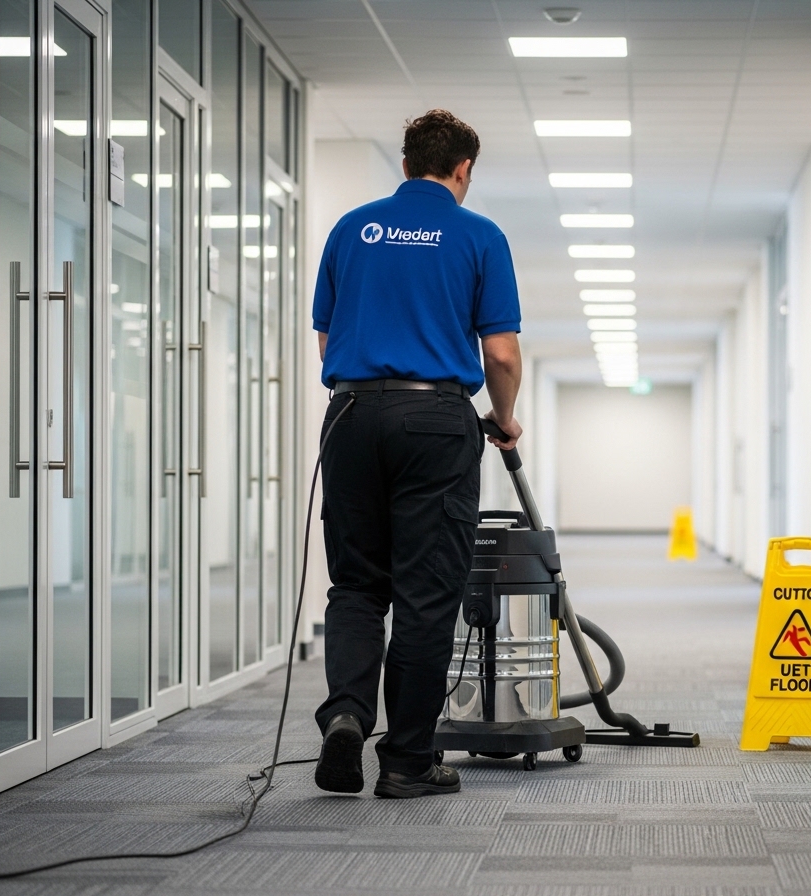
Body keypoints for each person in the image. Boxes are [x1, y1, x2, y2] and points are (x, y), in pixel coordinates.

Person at [311, 109, 523, 798]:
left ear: (404, 165)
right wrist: (504, 418)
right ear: (463, 170)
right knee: (426, 597)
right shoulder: (479, 235)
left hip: (350, 414)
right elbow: (501, 353)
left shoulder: (353, 229)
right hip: (435, 418)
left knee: (356, 585)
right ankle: (405, 759)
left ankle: (346, 713)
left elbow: (325, 340)